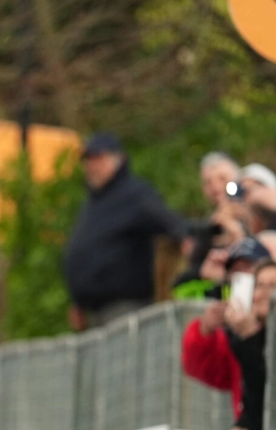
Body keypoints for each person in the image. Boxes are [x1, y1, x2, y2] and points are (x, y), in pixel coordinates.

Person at [63, 132, 189, 329]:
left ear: (118, 159)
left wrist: (186, 238)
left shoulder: (134, 194)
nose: (92, 166)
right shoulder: (92, 203)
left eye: (98, 159)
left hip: (125, 306)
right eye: (88, 160)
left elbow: (166, 220)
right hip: (94, 310)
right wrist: (79, 301)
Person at [181, 257, 276, 430]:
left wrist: (250, 337)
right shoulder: (238, 338)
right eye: (259, 285)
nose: (265, 293)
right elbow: (204, 369)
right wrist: (205, 329)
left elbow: (269, 385)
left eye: (274, 286)